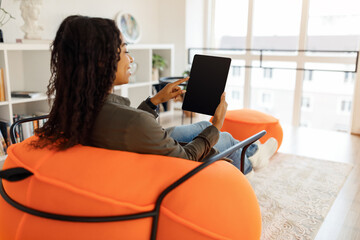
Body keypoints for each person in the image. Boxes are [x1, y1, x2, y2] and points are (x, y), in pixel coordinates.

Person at [34, 15, 277, 175]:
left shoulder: (77, 107)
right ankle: (250, 160)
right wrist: (217, 123)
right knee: (220, 137)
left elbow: (124, 126)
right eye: (125, 50)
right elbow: (187, 157)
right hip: (166, 165)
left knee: (200, 125)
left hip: (140, 146)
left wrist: (154, 101)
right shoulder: (131, 122)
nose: (130, 59)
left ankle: (253, 152)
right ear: (101, 62)